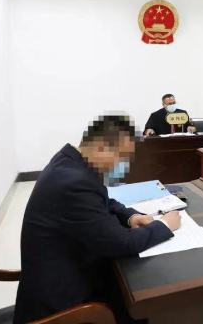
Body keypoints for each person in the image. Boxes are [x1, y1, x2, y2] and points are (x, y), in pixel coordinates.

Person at [14, 115, 181, 324]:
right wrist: (165, 225)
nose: (124, 165)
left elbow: (103, 200)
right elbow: (121, 243)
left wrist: (131, 217)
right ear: (101, 147)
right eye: (122, 157)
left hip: (66, 271)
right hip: (64, 306)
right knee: (147, 305)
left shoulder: (70, 162)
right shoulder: (74, 182)